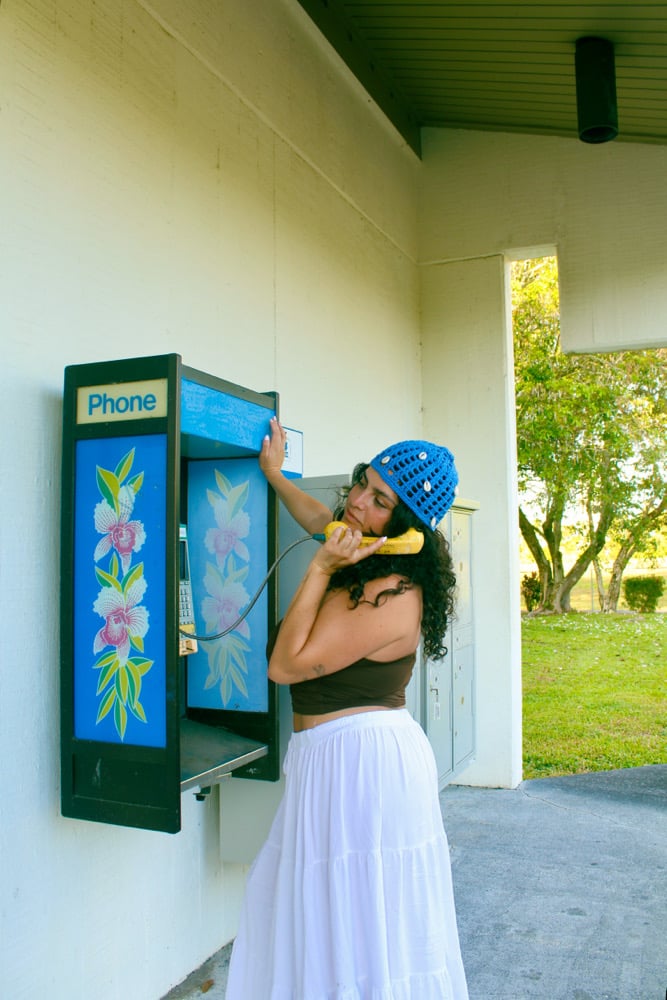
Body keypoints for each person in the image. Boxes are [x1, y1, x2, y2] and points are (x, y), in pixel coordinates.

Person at [225, 418, 469, 1000]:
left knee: (357, 924)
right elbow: (319, 518)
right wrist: (275, 476)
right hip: (330, 761)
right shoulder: (365, 555)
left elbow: (285, 666)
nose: (357, 502)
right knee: (317, 916)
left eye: (380, 501)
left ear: (408, 530)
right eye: (364, 482)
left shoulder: (391, 595)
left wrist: (319, 569)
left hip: (361, 768)